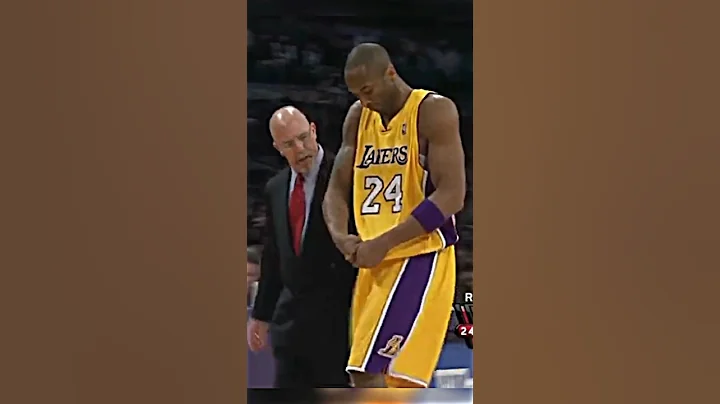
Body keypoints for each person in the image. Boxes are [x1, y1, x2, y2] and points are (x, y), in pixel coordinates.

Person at [322, 43, 467, 388]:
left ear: (390, 73)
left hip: (419, 255)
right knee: (397, 381)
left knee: (367, 371)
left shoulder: (432, 111)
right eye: (357, 93)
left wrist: (385, 242)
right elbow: (335, 189)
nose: (364, 99)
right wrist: (342, 238)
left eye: (368, 90)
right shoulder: (358, 117)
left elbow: (452, 195)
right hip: (375, 261)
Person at [248, 106, 357, 388]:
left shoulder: (348, 177)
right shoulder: (275, 188)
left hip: (340, 330)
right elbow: (274, 256)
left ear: (313, 129)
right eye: (288, 144)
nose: (300, 149)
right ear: (277, 147)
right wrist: (261, 315)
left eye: (302, 138)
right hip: (291, 332)